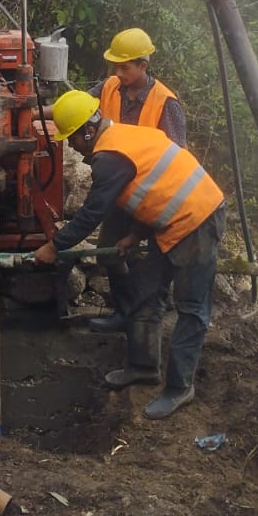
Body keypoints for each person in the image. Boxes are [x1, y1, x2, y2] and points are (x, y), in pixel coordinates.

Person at [34, 90, 225, 419]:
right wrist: (135, 234)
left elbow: (92, 212)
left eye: (74, 140)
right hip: (171, 222)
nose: (74, 149)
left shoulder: (110, 157)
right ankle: (143, 367)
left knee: (191, 308)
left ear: (88, 131)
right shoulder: (122, 137)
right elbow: (156, 186)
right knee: (145, 292)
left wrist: (55, 246)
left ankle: (180, 388)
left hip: (198, 219)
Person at [88, 27, 187, 335]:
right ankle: (125, 311)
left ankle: (149, 318)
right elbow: (79, 107)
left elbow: (176, 160)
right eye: (115, 66)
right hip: (123, 191)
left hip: (155, 196)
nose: (118, 73)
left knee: (155, 262)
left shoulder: (165, 103)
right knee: (109, 249)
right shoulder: (108, 87)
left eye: (125, 67)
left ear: (143, 65)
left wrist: (139, 229)